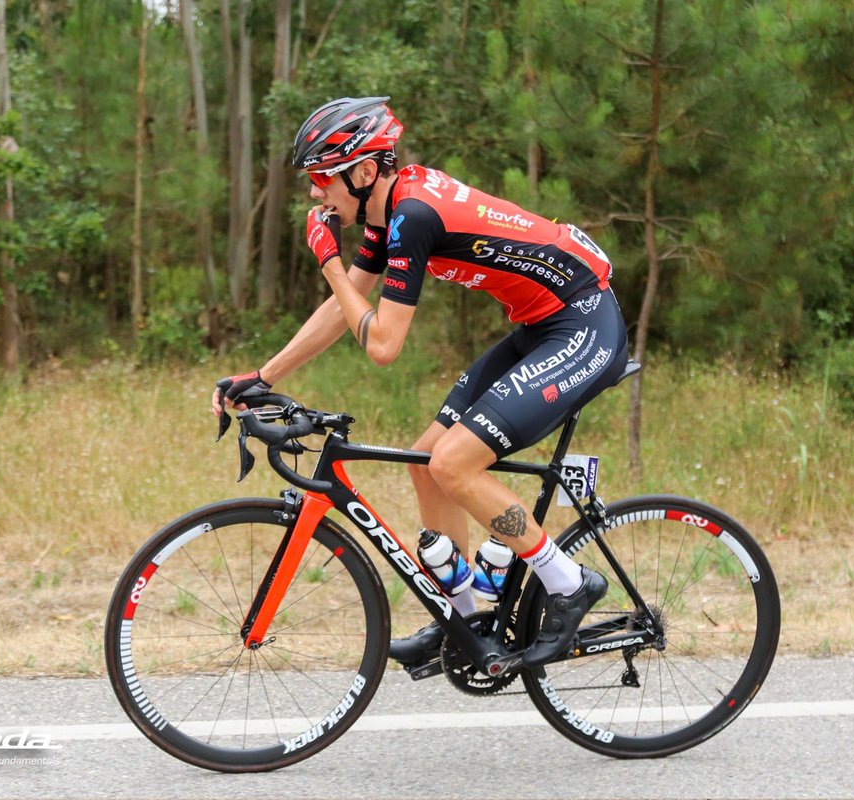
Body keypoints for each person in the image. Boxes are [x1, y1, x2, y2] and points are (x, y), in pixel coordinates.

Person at [212, 96, 631, 669]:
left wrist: (329, 264)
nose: (314, 193)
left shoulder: (413, 216)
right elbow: (342, 310)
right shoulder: (390, 211)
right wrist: (262, 376)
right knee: (424, 462)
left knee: (453, 463)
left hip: (584, 323)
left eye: (322, 178)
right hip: (542, 326)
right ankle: (464, 623)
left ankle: (568, 583)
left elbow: (382, 345)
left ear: (364, 172)